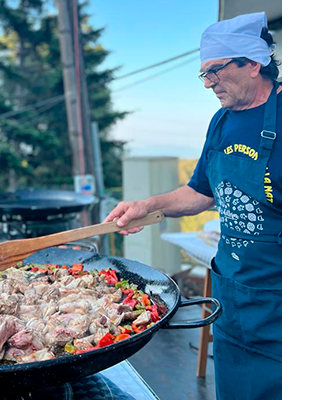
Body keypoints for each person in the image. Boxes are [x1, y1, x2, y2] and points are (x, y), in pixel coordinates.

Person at [104, 13, 282, 400]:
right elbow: (200, 193)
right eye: (204, 75)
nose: (209, 84)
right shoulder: (221, 122)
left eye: (215, 71)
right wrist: (148, 205)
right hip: (234, 296)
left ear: (253, 63)